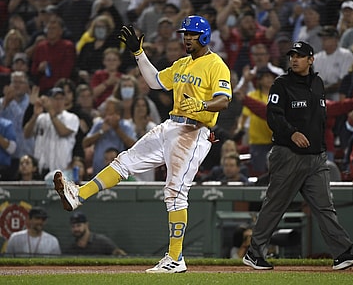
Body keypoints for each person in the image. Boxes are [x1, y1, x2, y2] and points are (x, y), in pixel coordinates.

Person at [53, 15, 231, 273]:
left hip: (194, 131)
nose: (187, 38)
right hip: (170, 125)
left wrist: (203, 105)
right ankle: (78, 194)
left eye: (191, 34)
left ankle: (175, 258)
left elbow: (223, 100)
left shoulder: (216, 65)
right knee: (124, 161)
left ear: (204, 36)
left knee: (175, 193)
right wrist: (138, 53)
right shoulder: (182, 64)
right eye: (185, 34)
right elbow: (156, 81)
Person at [242, 41, 353, 271]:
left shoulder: (318, 83)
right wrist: (292, 133)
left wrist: (319, 146)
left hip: (316, 157)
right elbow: (273, 117)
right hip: (288, 154)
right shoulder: (281, 84)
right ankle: (254, 253)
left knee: (324, 207)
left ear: (311, 59)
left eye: (300, 56)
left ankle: (341, 253)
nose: (294, 59)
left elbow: (321, 118)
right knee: (275, 206)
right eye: (292, 56)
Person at [23, 87, 80, 177]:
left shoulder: (71, 118)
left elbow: (62, 132)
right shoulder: (42, 118)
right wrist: (35, 115)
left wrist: (51, 112)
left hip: (62, 170)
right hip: (41, 169)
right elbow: (26, 134)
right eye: (55, 99)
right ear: (49, 100)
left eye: (61, 99)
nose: (58, 102)